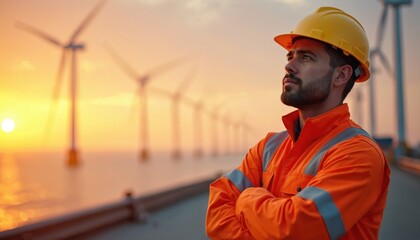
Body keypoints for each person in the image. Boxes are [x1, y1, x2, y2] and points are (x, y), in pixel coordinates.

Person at [206, 6, 390, 240]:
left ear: (341, 75)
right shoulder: (268, 147)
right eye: (290, 56)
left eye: (306, 57)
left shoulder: (359, 154)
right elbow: (216, 208)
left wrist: (247, 198)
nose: (289, 66)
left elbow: (295, 229)